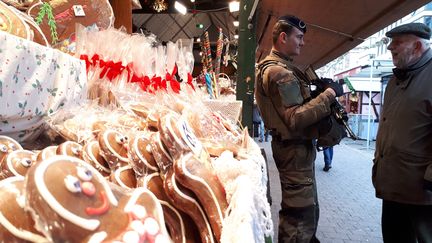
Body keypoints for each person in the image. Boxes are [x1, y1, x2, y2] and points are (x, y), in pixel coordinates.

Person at [255, 15, 344, 243]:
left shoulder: (281, 68)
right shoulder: (279, 73)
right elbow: (295, 118)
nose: (303, 43)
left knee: (305, 211)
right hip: (294, 151)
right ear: (283, 37)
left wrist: (315, 94)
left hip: (295, 152)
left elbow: (294, 107)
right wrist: (329, 94)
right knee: (299, 217)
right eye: (299, 37)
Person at [372, 22, 432, 243]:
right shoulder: (396, 80)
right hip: (393, 186)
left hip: (422, 193)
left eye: (397, 42)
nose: (390, 48)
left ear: (417, 46)